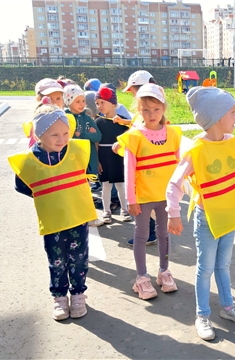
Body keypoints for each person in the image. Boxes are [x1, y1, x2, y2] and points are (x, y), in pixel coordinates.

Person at [166, 87, 235, 341]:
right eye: (233, 112)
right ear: (217, 118)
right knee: (205, 268)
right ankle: (202, 314)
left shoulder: (232, 142)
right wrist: (173, 212)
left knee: (224, 265)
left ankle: (228, 307)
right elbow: (174, 184)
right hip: (206, 220)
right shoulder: (196, 151)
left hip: (228, 218)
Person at [9, 105, 96, 320]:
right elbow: (22, 185)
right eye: (54, 135)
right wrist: (47, 197)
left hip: (78, 218)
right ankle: (59, 297)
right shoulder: (30, 161)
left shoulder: (75, 151)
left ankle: (78, 294)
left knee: (78, 258)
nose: (62, 139)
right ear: (39, 135)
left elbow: (88, 171)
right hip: (52, 221)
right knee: (56, 260)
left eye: (66, 133)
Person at [117, 83, 182, 300]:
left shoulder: (173, 134)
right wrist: (131, 200)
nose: (151, 114)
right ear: (138, 110)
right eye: (145, 109)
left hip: (165, 198)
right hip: (143, 198)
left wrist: (179, 194)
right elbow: (129, 170)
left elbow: (178, 165)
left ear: (163, 108)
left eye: (156, 109)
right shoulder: (134, 136)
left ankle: (164, 271)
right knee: (142, 236)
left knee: (164, 234)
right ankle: (141, 277)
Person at [117, 70, 159, 247]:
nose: (133, 96)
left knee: (143, 203)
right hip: (145, 166)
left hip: (144, 166)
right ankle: (151, 232)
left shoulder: (146, 113)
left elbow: (140, 133)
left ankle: (148, 235)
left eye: (133, 91)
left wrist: (121, 143)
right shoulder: (147, 112)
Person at [64, 84, 105, 227]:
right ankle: (77, 216)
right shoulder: (65, 117)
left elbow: (98, 136)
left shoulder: (86, 118)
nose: (82, 104)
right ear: (69, 102)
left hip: (86, 160)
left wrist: (82, 134)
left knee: (85, 190)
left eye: (83, 101)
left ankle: (89, 217)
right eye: (78, 101)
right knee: (75, 191)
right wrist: (88, 135)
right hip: (71, 161)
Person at [94, 86, 132, 223]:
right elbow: (96, 143)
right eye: (97, 103)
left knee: (121, 185)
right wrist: (97, 161)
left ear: (113, 103)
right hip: (104, 156)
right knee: (105, 186)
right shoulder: (98, 121)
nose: (99, 106)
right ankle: (106, 211)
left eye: (102, 102)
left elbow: (134, 130)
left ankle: (124, 209)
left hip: (118, 156)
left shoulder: (122, 120)